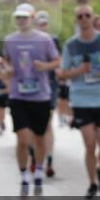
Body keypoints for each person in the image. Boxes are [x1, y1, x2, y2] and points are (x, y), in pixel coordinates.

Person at [59, 5, 100, 199]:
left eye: (87, 15)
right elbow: (62, 73)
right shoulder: (71, 45)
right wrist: (78, 71)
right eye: (80, 16)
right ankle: (92, 182)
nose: (84, 18)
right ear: (76, 20)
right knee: (89, 144)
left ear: (92, 17)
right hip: (81, 99)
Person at [3, 3, 60, 196]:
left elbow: (57, 60)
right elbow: (7, 62)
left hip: (40, 95)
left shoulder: (44, 40)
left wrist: (45, 66)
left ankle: (39, 170)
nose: (21, 20)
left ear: (32, 18)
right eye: (18, 17)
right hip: (18, 95)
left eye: (25, 17)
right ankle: (24, 174)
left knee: (39, 138)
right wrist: (7, 70)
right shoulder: (9, 40)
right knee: (22, 139)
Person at [34, 10, 62, 176]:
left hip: (50, 84)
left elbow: (58, 60)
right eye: (40, 23)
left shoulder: (53, 40)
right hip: (32, 86)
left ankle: (49, 158)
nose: (43, 26)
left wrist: (50, 67)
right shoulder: (27, 41)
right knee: (34, 125)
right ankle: (36, 155)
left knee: (47, 122)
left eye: (45, 23)